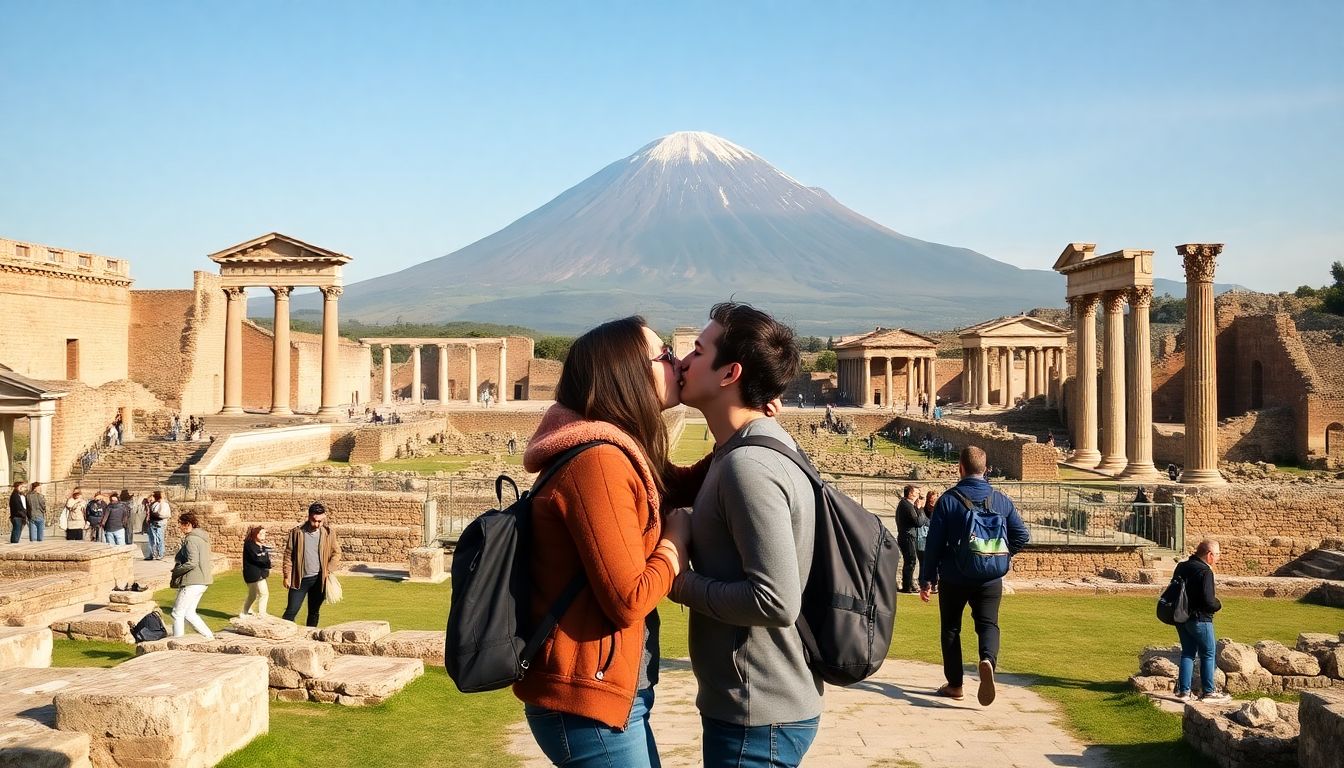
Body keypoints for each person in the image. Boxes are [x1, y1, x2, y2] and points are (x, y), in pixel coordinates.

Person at [513, 315, 709, 768]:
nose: (676, 362)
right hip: (583, 700)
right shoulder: (598, 463)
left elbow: (678, 488)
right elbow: (627, 598)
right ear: (626, 373)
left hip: (607, 692)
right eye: (663, 355)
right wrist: (675, 545)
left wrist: (738, 425)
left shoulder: (618, 450)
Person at [669, 301, 821, 768]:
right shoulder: (740, 449)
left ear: (728, 373)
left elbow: (776, 601)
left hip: (757, 713)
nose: (682, 362)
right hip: (753, 706)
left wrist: (675, 579)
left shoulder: (748, 466)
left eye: (696, 351)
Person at [920, 446, 1030, 707]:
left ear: (960, 468)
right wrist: (1000, 554)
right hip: (990, 577)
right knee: (988, 624)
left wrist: (927, 580)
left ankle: (955, 685)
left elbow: (933, 545)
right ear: (986, 468)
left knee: (951, 629)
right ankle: (987, 660)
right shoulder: (1000, 500)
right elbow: (1022, 536)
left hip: (954, 577)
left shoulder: (948, 500)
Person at [1172, 539, 1230, 702]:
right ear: (1210, 555)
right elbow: (1208, 600)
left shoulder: (1182, 566)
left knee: (1188, 653)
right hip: (1200, 619)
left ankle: (1184, 692)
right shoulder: (1205, 571)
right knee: (1208, 653)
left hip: (1181, 617)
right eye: (1217, 554)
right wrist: (1218, 605)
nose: (1219, 557)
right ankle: (1209, 692)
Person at [281, 502, 342, 627]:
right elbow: (288, 555)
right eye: (315, 521)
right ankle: (283, 638)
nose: (317, 524)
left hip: (319, 579)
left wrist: (328, 569)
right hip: (299, 579)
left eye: (320, 521)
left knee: (314, 612)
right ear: (309, 517)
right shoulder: (296, 533)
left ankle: (310, 639)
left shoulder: (329, 533)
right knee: (290, 612)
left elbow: (336, 553)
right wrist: (287, 575)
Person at [170, 512, 214, 639]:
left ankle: (177, 642)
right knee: (189, 613)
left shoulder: (191, 539)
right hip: (202, 580)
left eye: (181, 525)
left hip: (193, 581)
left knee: (177, 613)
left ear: (187, 524)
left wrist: (176, 572)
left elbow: (192, 562)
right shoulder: (202, 538)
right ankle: (209, 636)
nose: (180, 528)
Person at [895, 485, 923, 594]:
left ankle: (909, 584)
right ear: (910, 494)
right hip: (907, 536)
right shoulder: (906, 505)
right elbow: (918, 522)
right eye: (916, 493)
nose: (918, 495)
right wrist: (920, 509)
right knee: (910, 561)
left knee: (910, 561)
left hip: (907, 536)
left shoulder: (905, 505)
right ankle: (907, 586)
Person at [241, 526, 273, 617]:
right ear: (255, 534)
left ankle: (246, 612)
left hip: (260, 574)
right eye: (261, 533)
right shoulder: (249, 545)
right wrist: (266, 561)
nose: (264, 535)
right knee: (262, 594)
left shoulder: (261, 546)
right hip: (253, 574)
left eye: (264, 533)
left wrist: (266, 561)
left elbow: (266, 559)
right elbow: (257, 558)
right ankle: (257, 613)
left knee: (255, 595)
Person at [917, 490, 937, 589]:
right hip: (924, 536)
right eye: (932, 497)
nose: (933, 500)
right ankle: (923, 582)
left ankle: (933, 582)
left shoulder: (937, 509)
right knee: (923, 561)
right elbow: (923, 522)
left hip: (932, 536)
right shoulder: (924, 510)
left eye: (935, 497)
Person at [146, 490, 170, 560]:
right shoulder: (156, 504)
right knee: (155, 539)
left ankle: (158, 554)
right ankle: (155, 554)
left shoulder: (160, 504)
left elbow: (164, 514)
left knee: (157, 539)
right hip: (157, 522)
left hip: (158, 523)